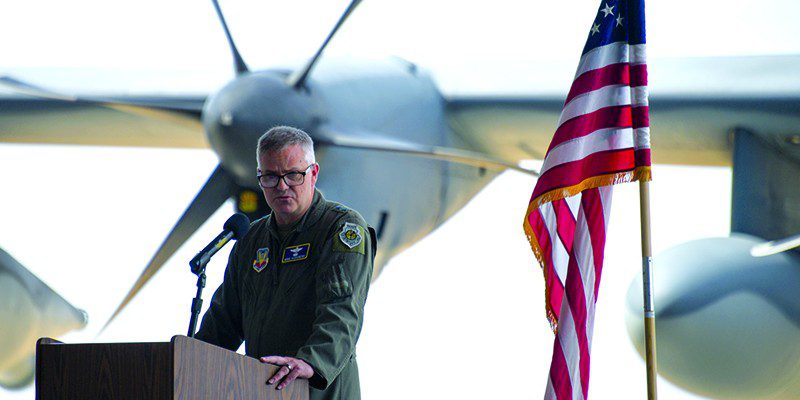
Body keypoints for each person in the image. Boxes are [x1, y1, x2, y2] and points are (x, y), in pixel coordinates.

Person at [194, 125, 375, 400]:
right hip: (263, 391)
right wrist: (186, 360)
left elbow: (341, 312)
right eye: (270, 177)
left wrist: (311, 363)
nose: (281, 186)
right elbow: (223, 323)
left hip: (317, 392)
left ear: (313, 174)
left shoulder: (341, 228)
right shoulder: (250, 240)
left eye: (292, 175)